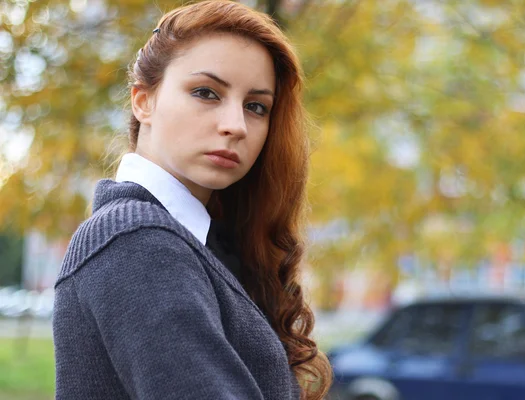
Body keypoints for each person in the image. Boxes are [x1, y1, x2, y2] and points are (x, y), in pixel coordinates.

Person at [52, 1, 332, 399]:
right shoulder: (136, 242)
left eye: (256, 106)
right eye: (206, 92)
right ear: (143, 101)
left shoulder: (200, 242)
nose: (235, 125)